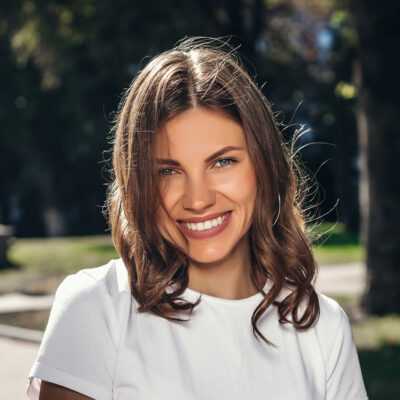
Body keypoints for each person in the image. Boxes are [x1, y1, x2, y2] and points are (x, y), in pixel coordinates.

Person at [27, 37, 368, 400]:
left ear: (265, 166)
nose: (198, 199)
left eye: (223, 162)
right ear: (138, 183)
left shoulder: (322, 328)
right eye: (168, 171)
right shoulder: (97, 308)